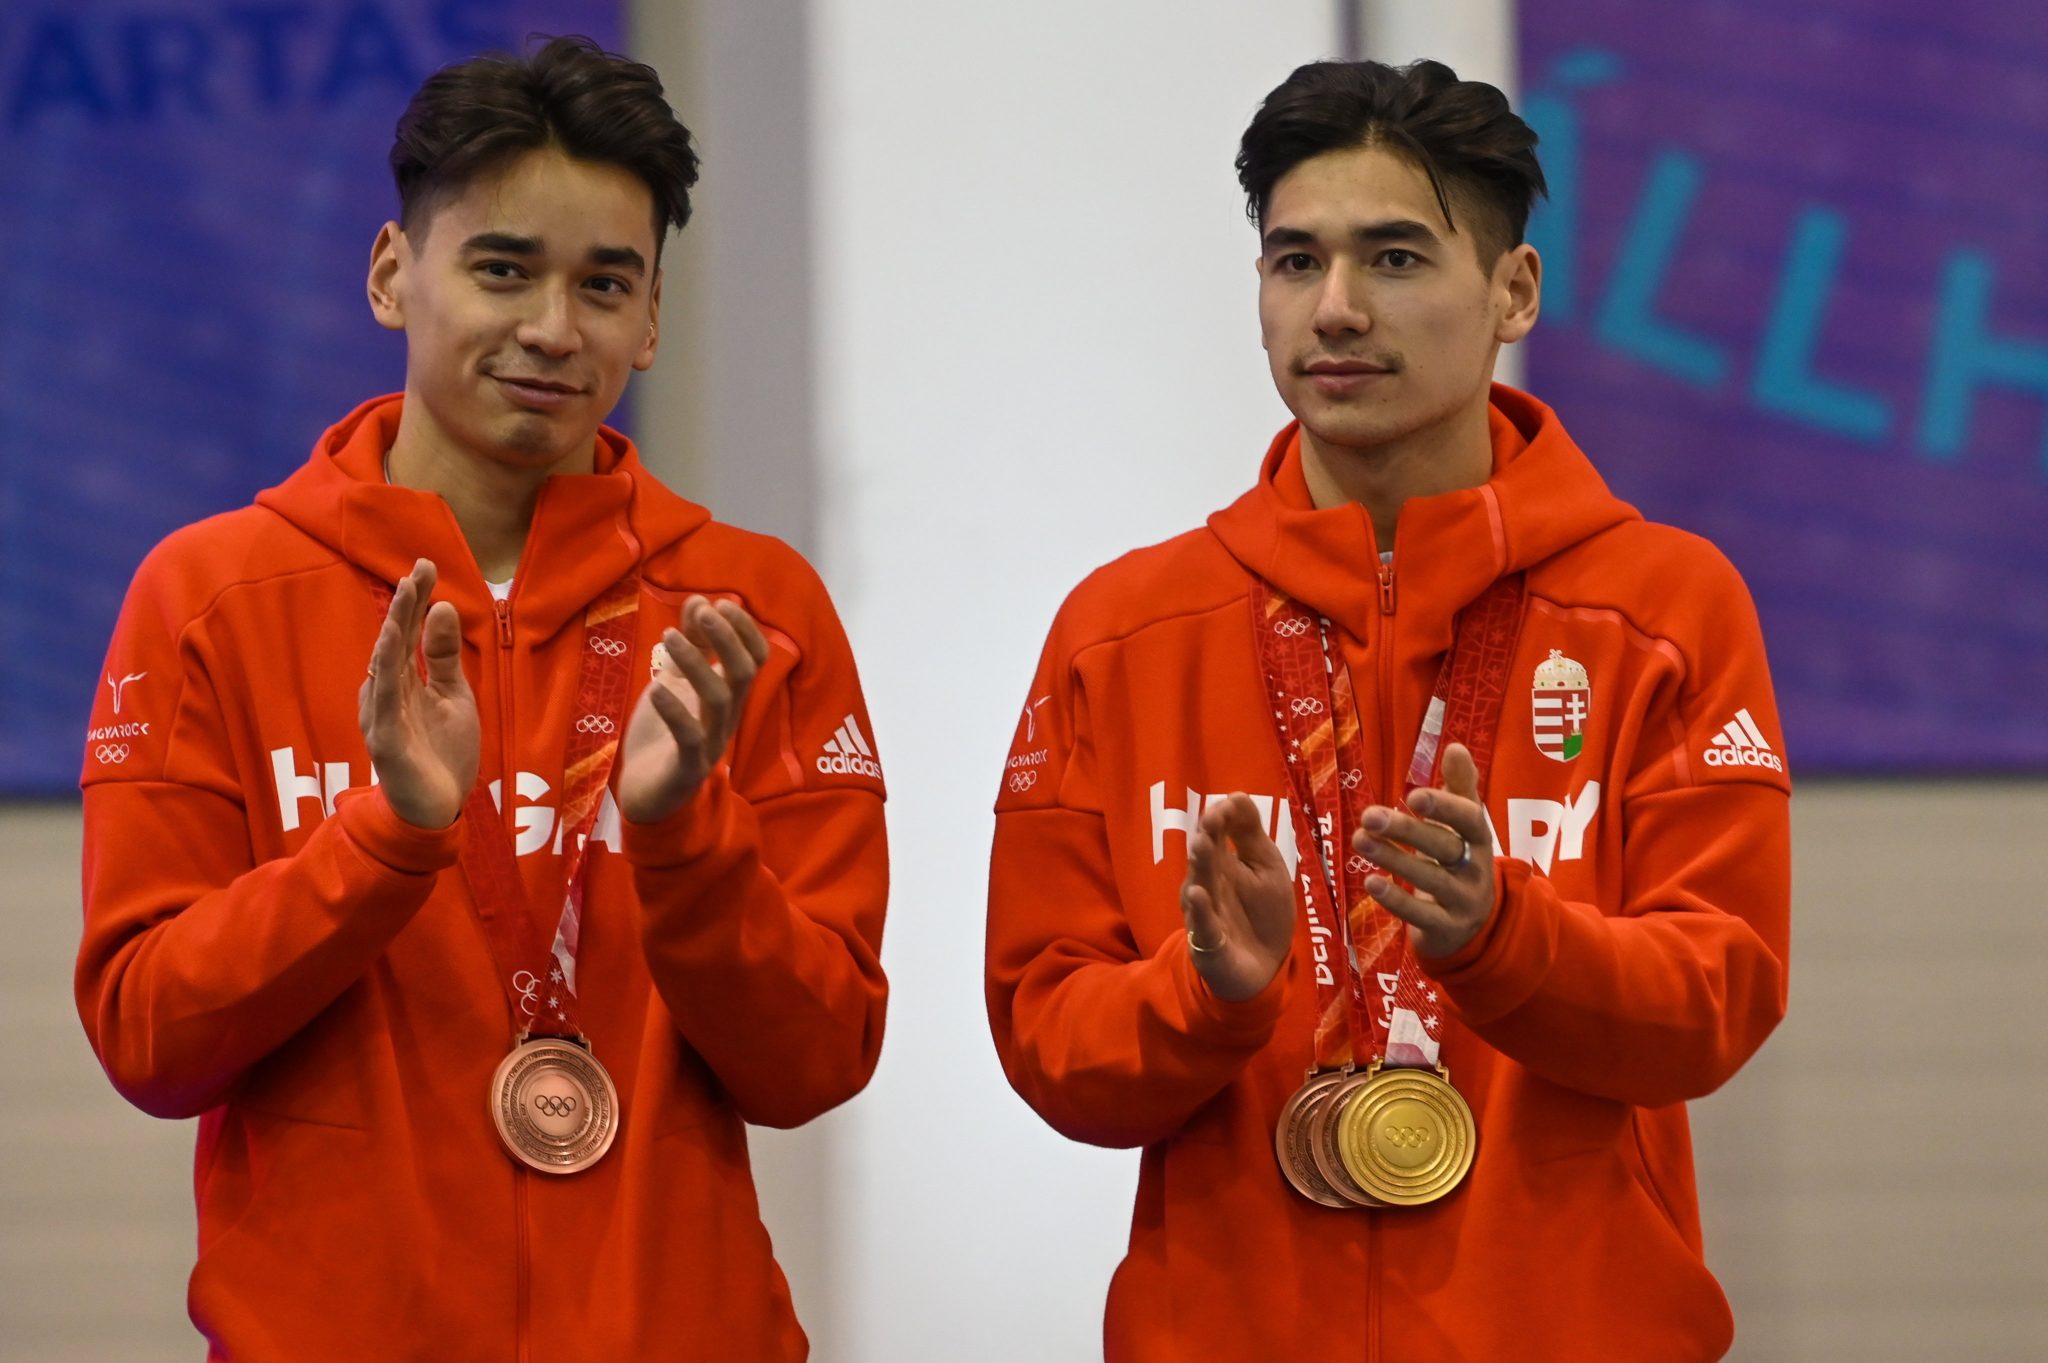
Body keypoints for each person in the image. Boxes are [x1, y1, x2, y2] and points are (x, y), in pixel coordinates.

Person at [75, 36, 888, 1360]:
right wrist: (385, 839)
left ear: (652, 317)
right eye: (502, 269)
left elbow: (815, 1063)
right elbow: (149, 1039)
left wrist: (684, 840)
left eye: (604, 283)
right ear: (392, 274)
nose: (554, 329)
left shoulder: (749, 611)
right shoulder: (212, 596)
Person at [986, 59, 1789, 1362]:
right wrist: (1206, 993)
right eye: (1295, 261)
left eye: (1396, 258)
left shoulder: (1664, 606)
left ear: (1514, 291)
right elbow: (1048, 1044)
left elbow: (1720, 997)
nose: (1337, 308)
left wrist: (1504, 938)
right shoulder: (1124, 631)